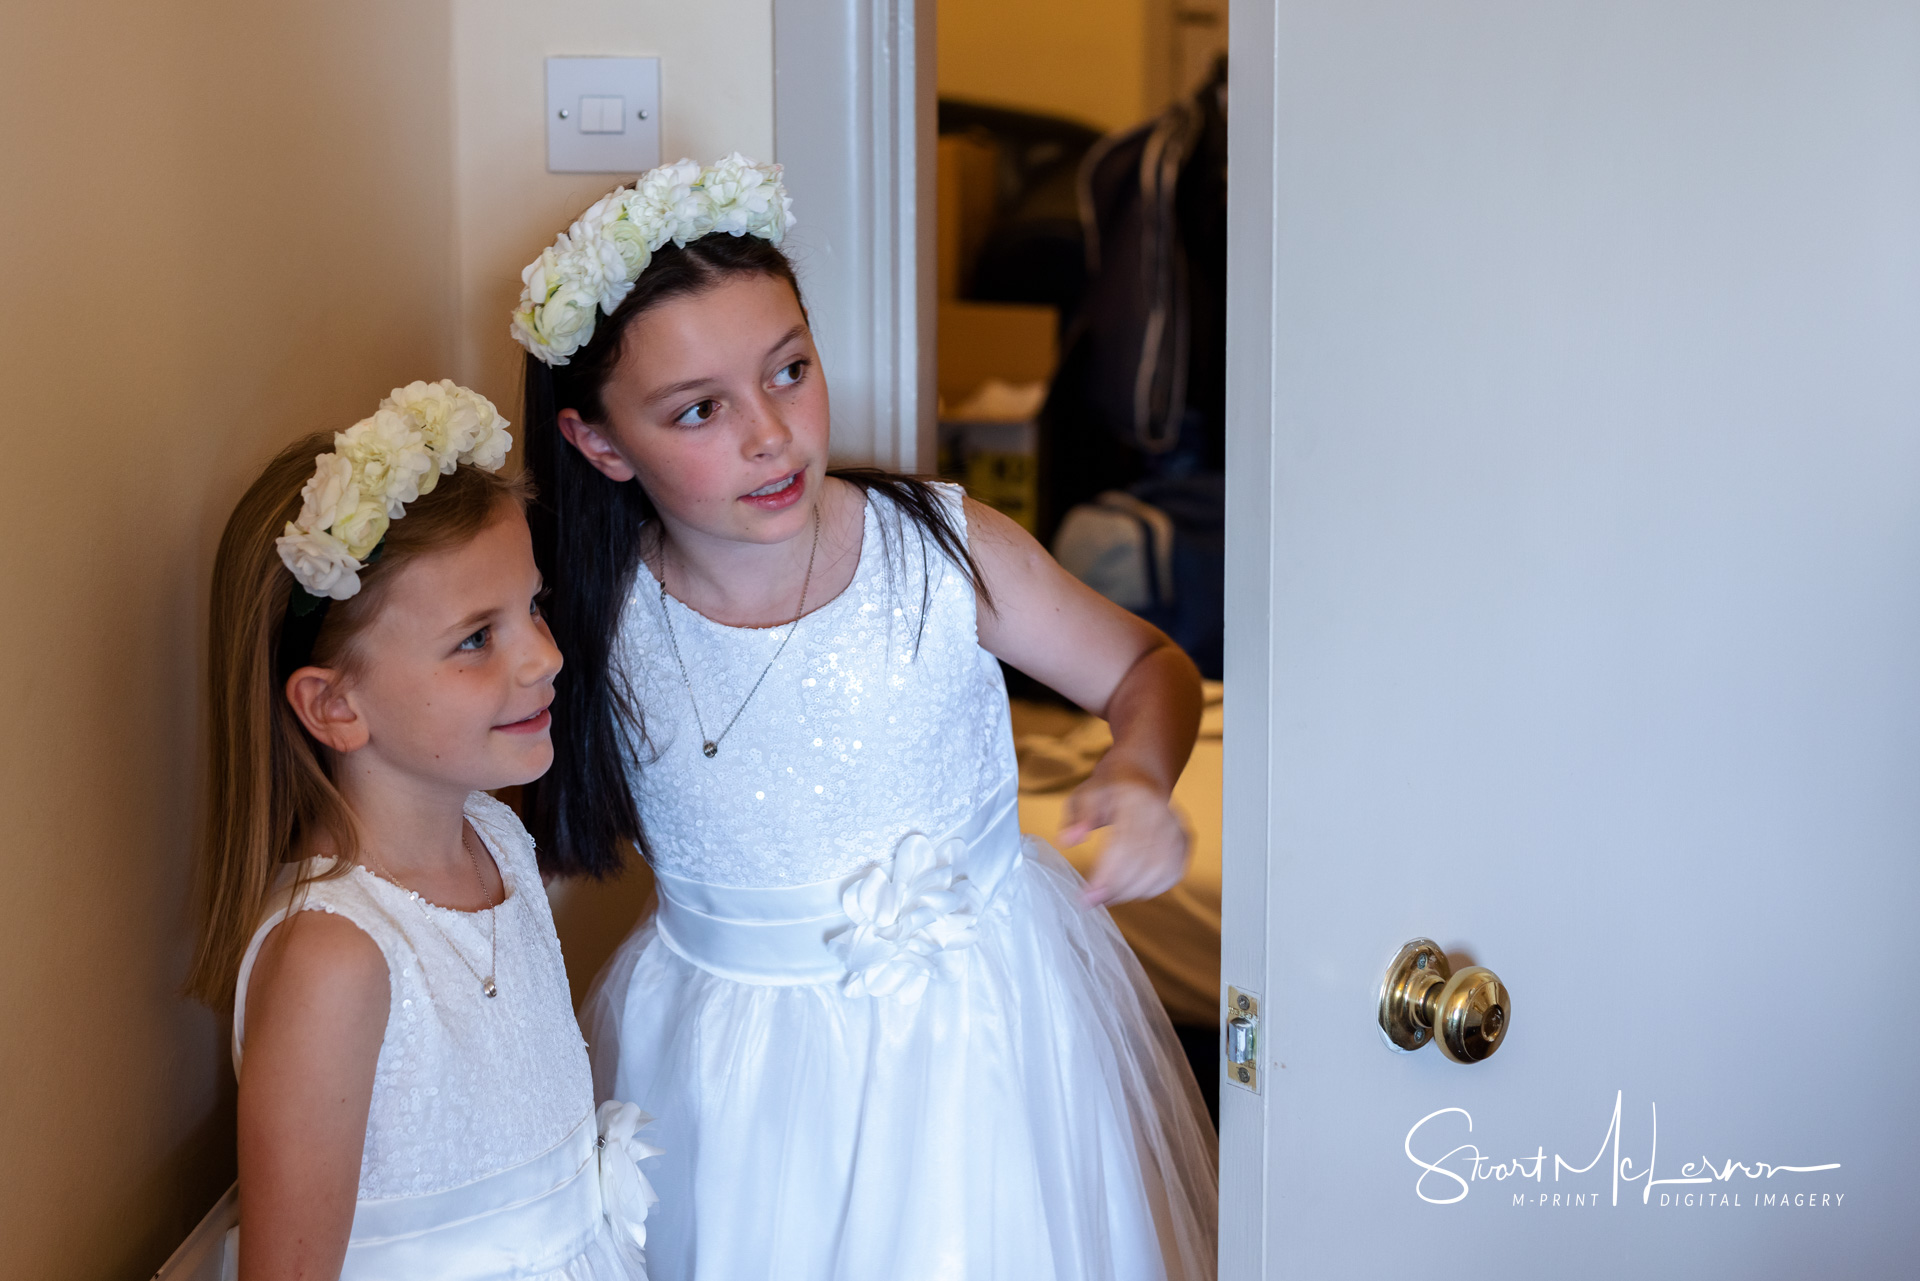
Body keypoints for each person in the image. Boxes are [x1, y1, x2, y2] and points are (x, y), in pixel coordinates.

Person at [517, 157, 1218, 1280]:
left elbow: (1148, 667)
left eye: (789, 370)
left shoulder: (940, 552)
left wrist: (1139, 770)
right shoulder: (586, 622)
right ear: (601, 446)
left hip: (981, 1042)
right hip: (732, 1075)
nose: (770, 434)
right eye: (700, 409)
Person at [186, 381, 662, 1280]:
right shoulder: (336, 959)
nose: (546, 655)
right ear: (334, 705)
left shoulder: (497, 837)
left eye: (534, 605)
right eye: (476, 638)